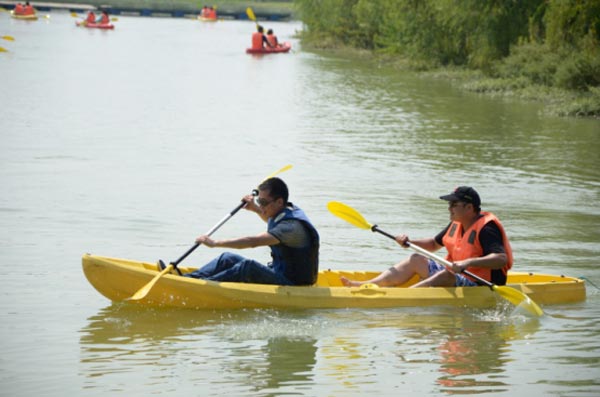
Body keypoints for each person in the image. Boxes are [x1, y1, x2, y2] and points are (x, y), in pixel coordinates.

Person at [341, 186, 513, 288]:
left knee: (446, 275)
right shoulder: (457, 223)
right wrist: (408, 242)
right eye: (449, 204)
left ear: (469, 208)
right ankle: (369, 285)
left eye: (454, 204)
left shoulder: (487, 228)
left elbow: (500, 258)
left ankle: (406, 297)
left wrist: (467, 263)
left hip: (482, 284)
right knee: (415, 258)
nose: (449, 208)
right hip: (459, 275)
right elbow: (433, 244)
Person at [169, 177, 320, 286]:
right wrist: (255, 208)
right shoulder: (282, 211)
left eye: (263, 202)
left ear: (279, 202)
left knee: (248, 267)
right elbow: (270, 221)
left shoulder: (291, 227)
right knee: (227, 258)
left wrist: (215, 243)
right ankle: (187, 279)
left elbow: (253, 242)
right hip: (280, 272)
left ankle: (200, 286)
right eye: (259, 201)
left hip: (294, 284)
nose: (261, 205)